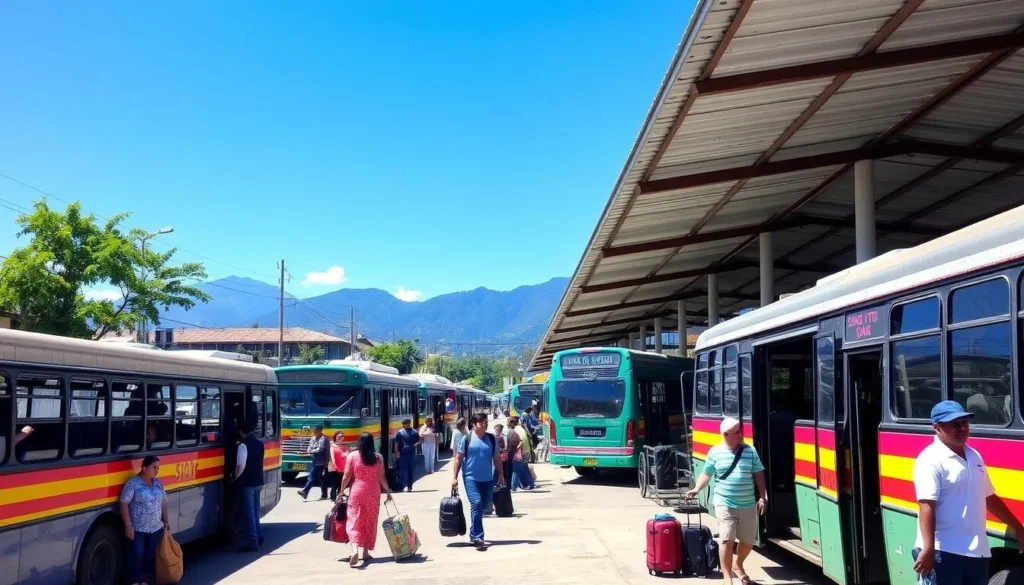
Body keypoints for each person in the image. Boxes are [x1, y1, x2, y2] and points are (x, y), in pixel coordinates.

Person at [911, 400, 1023, 585]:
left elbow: (989, 497)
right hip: (943, 553)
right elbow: (926, 505)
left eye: (964, 423)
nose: (962, 429)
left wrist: (1018, 528)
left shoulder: (973, 455)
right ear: (937, 428)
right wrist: (928, 549)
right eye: (954, 425)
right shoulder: (929, 460)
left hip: (976, 552)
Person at [685, 417, 766, 585]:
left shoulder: (750, 451)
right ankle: (727, 578)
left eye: (740, 430)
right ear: (726, 434)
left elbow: (759, 473)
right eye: (737, 432)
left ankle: (738, 564)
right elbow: (706, 473)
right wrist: (696, 488)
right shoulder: (715, 452)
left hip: (747, 504)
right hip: (724, 503)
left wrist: (762, 496)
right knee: (726, 540)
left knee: (748, 542)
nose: (741, 434)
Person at [451, 413, 505, 549]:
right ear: (474, 423)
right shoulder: (466, 439)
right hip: (470, 478)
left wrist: (501, 474)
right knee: (476, 503)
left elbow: (497, 458)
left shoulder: (491, 439)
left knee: (485, 506)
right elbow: (458, 458)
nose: (485, 424)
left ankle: (473, 532)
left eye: (486, 421)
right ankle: (478, 537)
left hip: (488, 479)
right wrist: (454, 477)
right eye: (481, 422)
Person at [340, 432, 393, 568]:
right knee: (370, 521)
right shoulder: (378, 458)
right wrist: (388, 491)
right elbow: (382, 477)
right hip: (373, 493)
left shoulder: (352, 456)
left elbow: (346, 475)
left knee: (354, 520)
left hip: (357, 492)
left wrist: (340, 492)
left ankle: (355, 550)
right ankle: (365, 552)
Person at [119, 455, 169, 585]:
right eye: (154, 467)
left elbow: (163, 502)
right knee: (137, 556)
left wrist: (166, 522)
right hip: (138, 529)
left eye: (158, 468)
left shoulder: (158, 483)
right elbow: (124, 503)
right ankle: (134, 581)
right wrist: (128, 525)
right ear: (144, 467)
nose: (157, 471)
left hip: (155, 528)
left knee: (151, 556)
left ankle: (146, 581)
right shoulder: (133, 484)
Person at [232, 424, 265, 552]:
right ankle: (259, 536)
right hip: (259, 481)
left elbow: (240, 466)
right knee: (256, 512)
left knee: (249, 513)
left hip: (248, 482)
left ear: (241, 431)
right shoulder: (259, 443)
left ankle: (252, 541)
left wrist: (234, 478)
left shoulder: (242, 446)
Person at [298, 426, 329, 500]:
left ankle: (305, 491)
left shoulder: (323, 439)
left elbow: (321, 449)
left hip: (321, 461)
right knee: (321, 478)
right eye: (314, 431)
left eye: (317, 431)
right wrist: (308, 450)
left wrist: (311, 451)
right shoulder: (313, 438)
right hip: (314, 460)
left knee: (312, 476)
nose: (315, 432)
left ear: (321, 431)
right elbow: (309, 446)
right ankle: (324, 494)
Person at [393, 418, 421, 492]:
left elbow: (396, 444)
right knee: (406, 471)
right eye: (406, 423)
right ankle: (406, 486)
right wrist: (397, 453)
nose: (407, 425)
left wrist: (397, 454)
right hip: (407, 453)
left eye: (408, 423)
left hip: (407, 453)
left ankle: (406, 486)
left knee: (407, 471)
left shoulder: (408, 432)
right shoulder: (404, 432)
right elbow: (396, 444)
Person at [508, 417, 535, 491]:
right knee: (523, 468)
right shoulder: (520, 428)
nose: (508, 425)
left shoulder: (515, 431)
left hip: (522, 452)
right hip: (526, 451)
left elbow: (517, 443)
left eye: (509, 422)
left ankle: (516, 486)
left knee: (518, 470)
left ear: (513, 423)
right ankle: (527, 484)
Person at [327, 431, 346, 501]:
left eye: (342, 436)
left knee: (341, 483)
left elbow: (347, 454)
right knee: (335, 483)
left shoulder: (344, 446)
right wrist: (334, 465)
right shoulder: (332, 446)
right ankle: (333, 497)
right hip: (334, 467)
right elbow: (332, 457)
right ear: (335, 437)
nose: (341, 438)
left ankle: (339, 496)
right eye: (339, 437)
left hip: (343, 467)